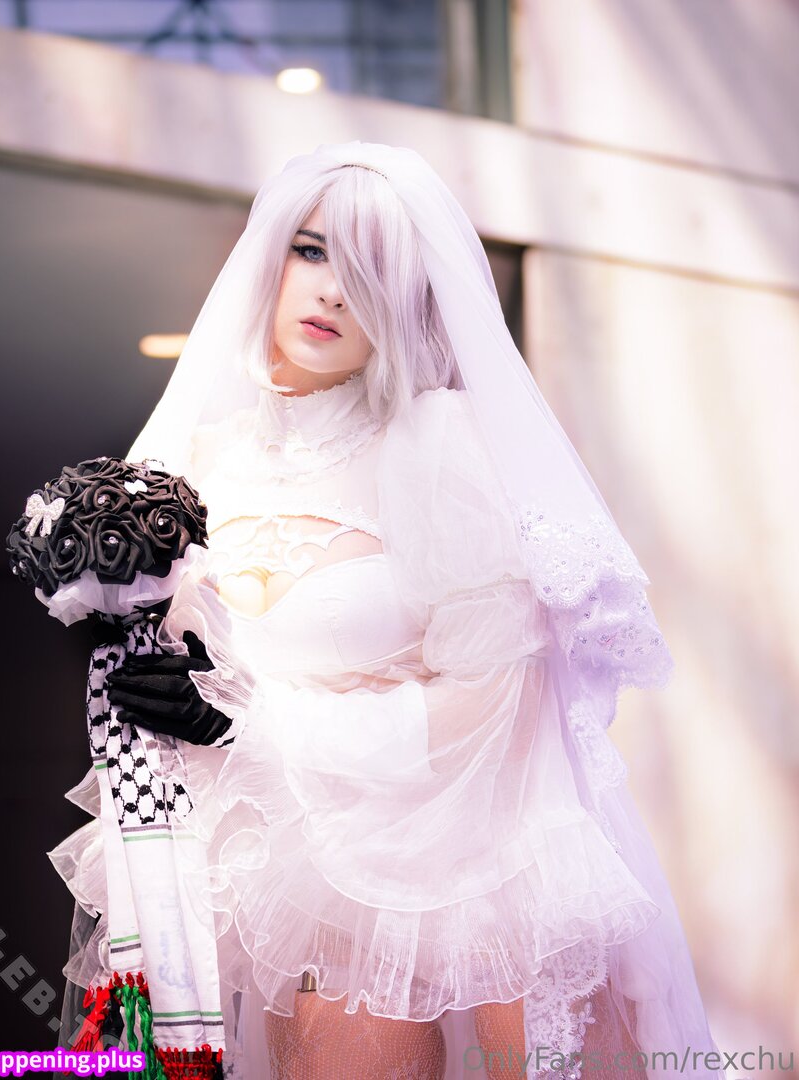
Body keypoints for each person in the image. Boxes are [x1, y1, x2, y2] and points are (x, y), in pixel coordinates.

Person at [50, 141, 725, 1079]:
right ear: (270, 258)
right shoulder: (199, 465)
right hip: (257, 869)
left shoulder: (440, 446)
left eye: (371, 271)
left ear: (411, 299)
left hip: (429, 874)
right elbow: (179, 681)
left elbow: (492, 706)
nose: (332, 291)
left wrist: (249, 725)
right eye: (312, 251)